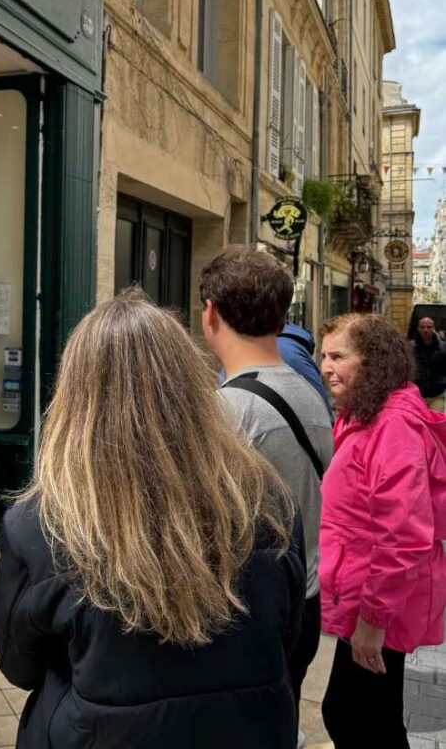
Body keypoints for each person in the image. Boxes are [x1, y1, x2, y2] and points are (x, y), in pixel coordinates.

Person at [0, 290, 306, 749]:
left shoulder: (46, 525)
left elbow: (19, 665)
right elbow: (288, 634)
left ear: (74, 397)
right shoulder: (267, 504)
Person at [200, 245, 333, 743]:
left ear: (210, 312)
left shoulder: (226, 410)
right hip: (303, 598)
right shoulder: (309, 391)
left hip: (245, 609)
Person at [319, 314, 446, 749]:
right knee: (359, 716)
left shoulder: (391, 426)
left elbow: (405, 532)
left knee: (356, 719)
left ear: (373, 362)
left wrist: (373, 619)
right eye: (323, 355)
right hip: (364, 596)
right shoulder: (369, 415)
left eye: (339, 356)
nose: (325, 366)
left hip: (376, 604)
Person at [410, 315, 446, 411]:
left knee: (436, 424)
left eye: (429, 327)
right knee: (418, 424)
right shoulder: (410, 347)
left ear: (434, 328)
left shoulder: (443, 347)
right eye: (422, 327)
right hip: (416, 396)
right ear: (418, 328)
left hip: (437, 395)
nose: (425, 330)